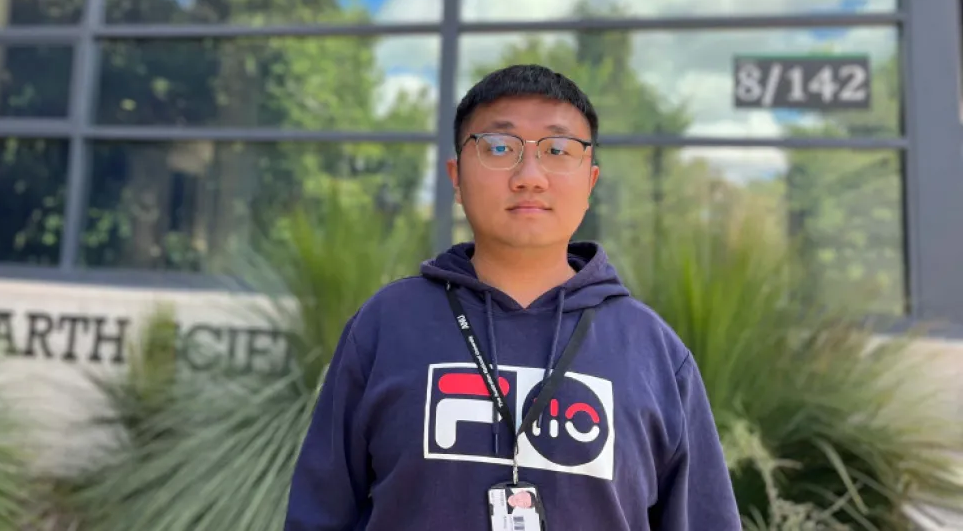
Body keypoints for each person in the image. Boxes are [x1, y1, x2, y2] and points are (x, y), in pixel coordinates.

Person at [284, 64, 740, 530]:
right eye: (499, 147)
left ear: (590, 183)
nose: (529, 176)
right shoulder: (385, 326)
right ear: (456, 176)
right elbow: (319, 513)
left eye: (558, 149)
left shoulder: (654, 352)